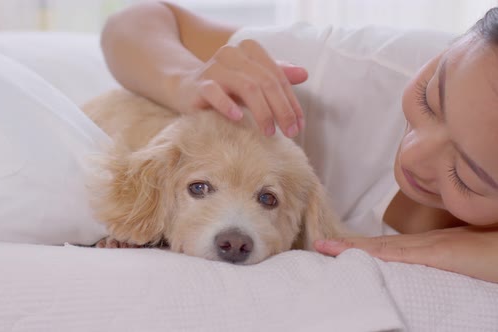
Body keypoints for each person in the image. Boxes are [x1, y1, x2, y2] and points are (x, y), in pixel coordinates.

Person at [100, 2, 498, 283]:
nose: (413, 154)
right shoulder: (351, 74)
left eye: (465, 174)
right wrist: (185, 81)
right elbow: (137, 20)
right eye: (430, 98)